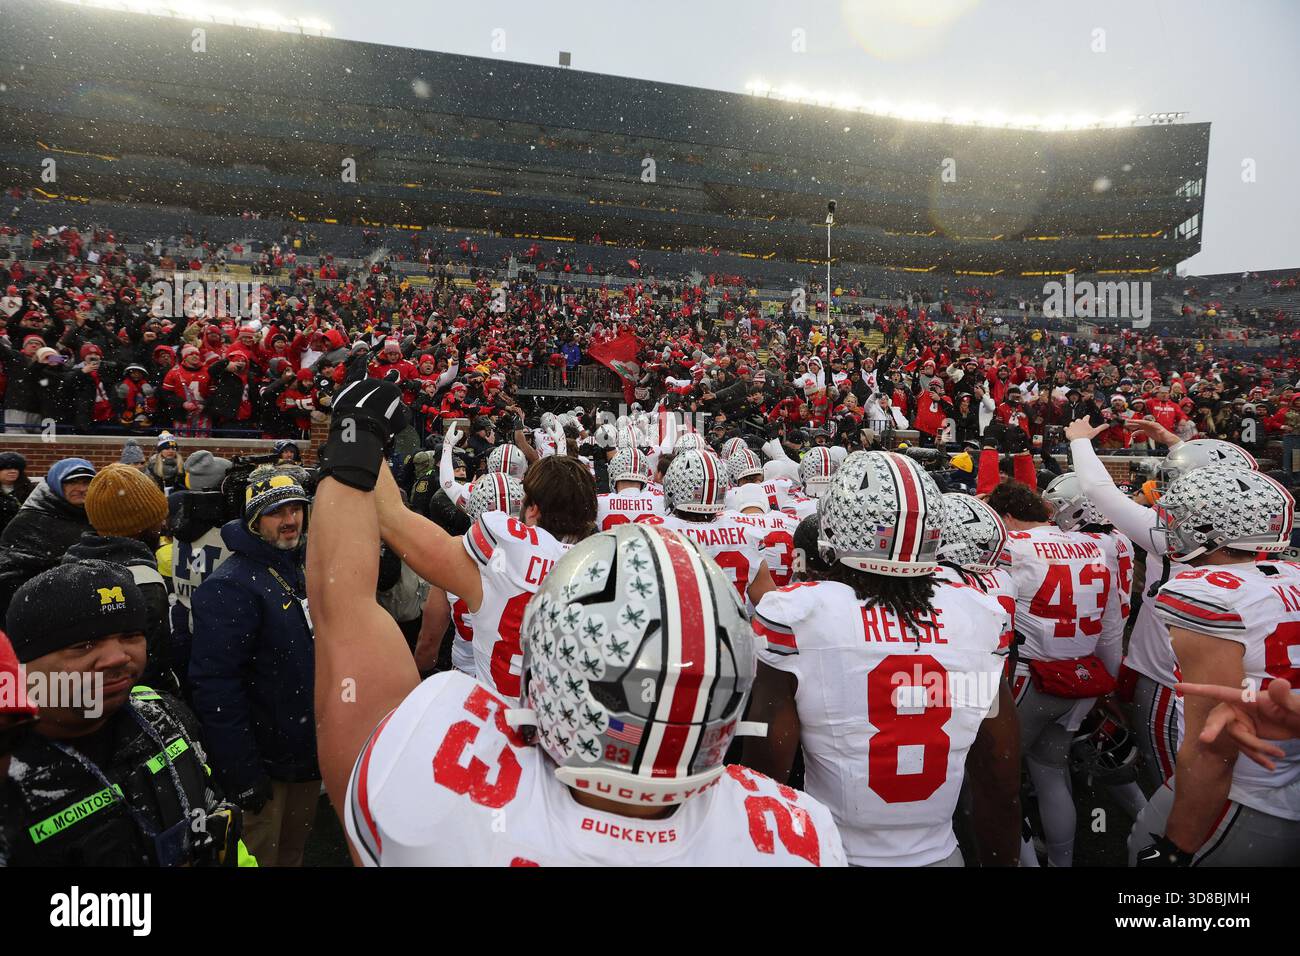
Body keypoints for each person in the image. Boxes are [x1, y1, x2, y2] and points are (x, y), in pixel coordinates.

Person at [307, 379, 845, 866]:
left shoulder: (441, 803)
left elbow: (346, 609)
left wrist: (356, 444)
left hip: (508, 741)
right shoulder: (793, 837)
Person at [744, 451, 1016, 866]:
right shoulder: (979, 617)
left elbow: (766, 777)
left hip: (835, 852)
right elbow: (998, 778)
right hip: (941, 854)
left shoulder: (799, 615)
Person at [0, 561, 250, 866]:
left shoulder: (164, 715)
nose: (118, 657)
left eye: (131, 635)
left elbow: (220, 824)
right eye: (84, 644)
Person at [1130, 466, 1300, 866]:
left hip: (1244, 793)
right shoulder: (1291, 574)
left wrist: (1177, 847)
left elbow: (1214, 744)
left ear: (1210, 526)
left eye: (1179, 514)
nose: (1170, 523)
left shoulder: (1201, 592)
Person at [988, 479, 1123, 867]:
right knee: (1050, 770)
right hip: (1084, 675)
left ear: (1008, 517)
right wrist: (1106, 684)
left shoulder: (1012, 548)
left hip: (1032, 676)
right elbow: (1112, 626)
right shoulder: (1097, 545)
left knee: (999, 778)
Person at [189, 470, 318, 867]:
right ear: (254, 522)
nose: (290, 519)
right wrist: (242, 772)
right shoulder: (231, 586)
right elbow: (215, 687)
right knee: (261, 858)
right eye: (276, 512)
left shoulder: (297, 566)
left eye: (296, 508)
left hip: (303, 755)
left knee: (293, 855)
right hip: (264, 763)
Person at [63, 464, 172, 689]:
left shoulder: (71, 563)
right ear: (142, 524)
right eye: (158, 519)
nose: (162, 525)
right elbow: (150, 670)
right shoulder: (143, 580)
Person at [661, 450, 776, 607]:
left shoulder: (657, 531)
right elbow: (770, 608)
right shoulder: (746, 533)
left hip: (679, 628)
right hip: (732, 629)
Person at [0, 457, 96, 559]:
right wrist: (69, 566)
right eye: (72, 482)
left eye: (86, 482)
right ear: (55, 484)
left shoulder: (100, 516)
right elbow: (11, 570)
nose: (81, 489)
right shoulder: (30, 522)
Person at [0, 450, 35, 535]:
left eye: (16, 468)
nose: (13, 471)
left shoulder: (30, 490)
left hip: (21, 536)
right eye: (7, 468)